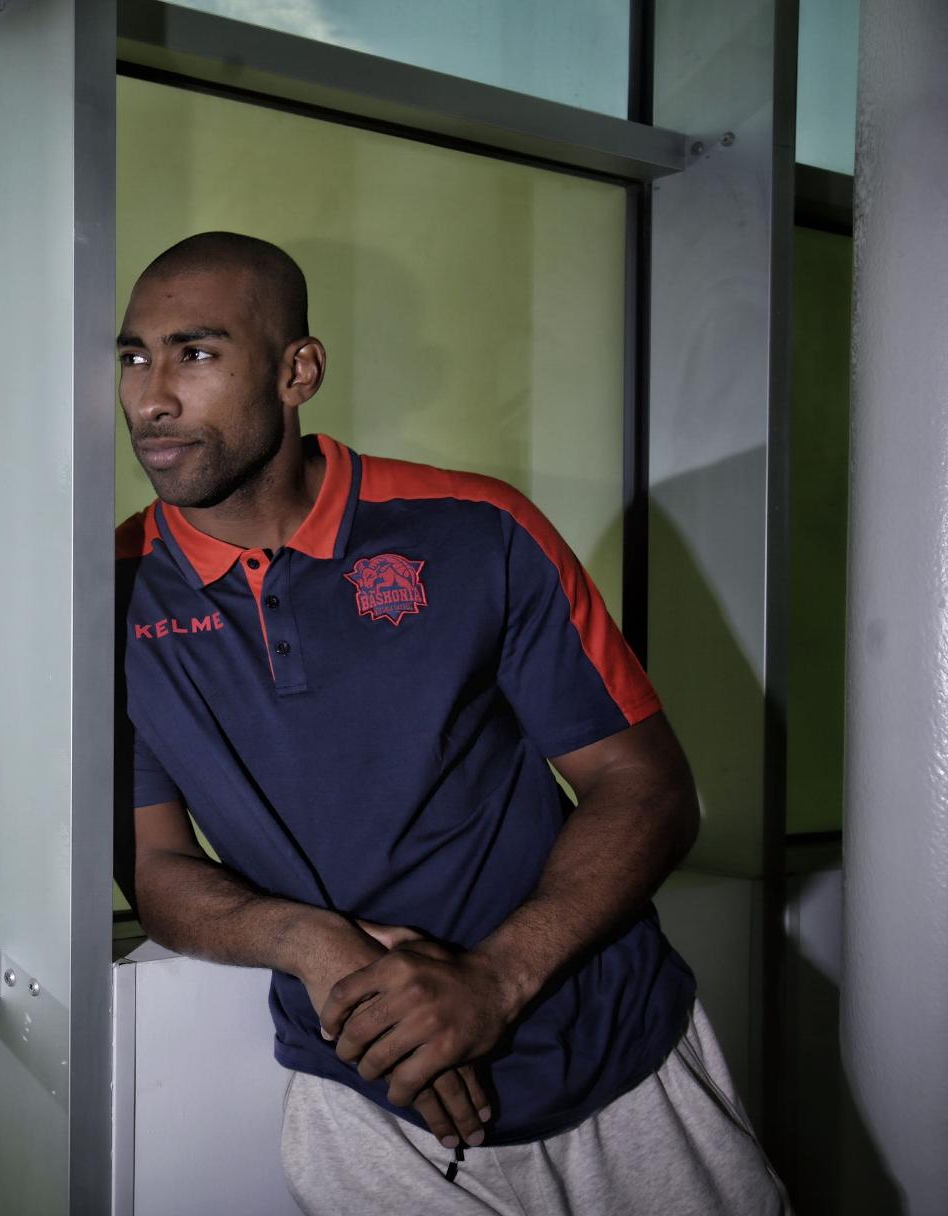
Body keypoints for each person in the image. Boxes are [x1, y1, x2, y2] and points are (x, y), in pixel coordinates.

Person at [114, 232, 788, 1214]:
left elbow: (644, 786)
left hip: (620, 1055)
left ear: (299, 370)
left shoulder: (474, 529)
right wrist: (320, 947)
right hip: (369, 1107)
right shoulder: (115, 590)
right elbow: (154, 864)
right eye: (134, 356)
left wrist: (494, 982)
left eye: (197, 353)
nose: (152, 397)